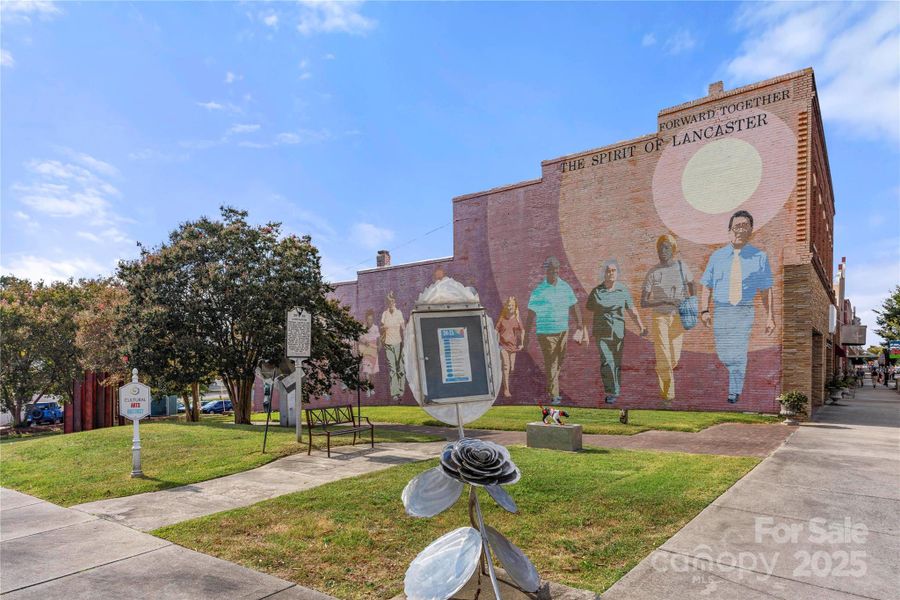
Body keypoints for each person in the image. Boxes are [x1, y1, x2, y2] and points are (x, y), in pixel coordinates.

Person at [699, 210, 775, 404]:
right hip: (721, 310)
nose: (740, 230)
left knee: (739, 351)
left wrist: (770, 316)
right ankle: (733, 373)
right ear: (729, 230)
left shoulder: (759, 257)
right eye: (736, 226)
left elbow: (766, 289)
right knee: (724, 353)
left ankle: (734, 390)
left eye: (744, 226)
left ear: (751, 230)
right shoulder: (717, 257)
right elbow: (706, 285)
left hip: (744, 310)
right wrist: (705, 310)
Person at [523, 256, 585, 406]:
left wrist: (580, 325)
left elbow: (574, 306)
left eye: (556, 269)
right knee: (551, 361)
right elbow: (531, 315)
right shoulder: (539, 291)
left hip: (563, 330)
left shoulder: (565, 287)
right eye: (551, 270)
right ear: (546, 271)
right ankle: (554, 395)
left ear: (558, 270)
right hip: (545, 332)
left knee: (558, 362)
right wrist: (527, 335)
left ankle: (552, 386)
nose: (554, 272)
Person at [641, 234, 694, 403]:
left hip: (678, 318)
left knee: (673, 359)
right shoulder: (653, 273)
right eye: (660, 248)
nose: (662, 251)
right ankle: (668, 394)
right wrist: (664, 300)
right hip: (660, 318)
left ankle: (664, 378)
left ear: (673, 250)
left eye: (666, 248)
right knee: (663, 355)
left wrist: (690, 300)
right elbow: (643, 302)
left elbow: (692, 285)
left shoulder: (681, 267)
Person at [586, 260, 648, 404]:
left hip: (618, 332)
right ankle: (611, 391)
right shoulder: (596, 291)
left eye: (614, 270)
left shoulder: (622, 290)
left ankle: (616, 389)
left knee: (617, 363)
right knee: (607, 362)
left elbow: (632, 310)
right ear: (604, 273)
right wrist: (583, 331)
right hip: (601, 333)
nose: (611, 273)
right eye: (608, 271)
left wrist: (641, 327)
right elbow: (588, 313)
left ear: (617, 273)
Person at [495, 296, 524, 397]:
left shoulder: (516, 319)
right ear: (506, 306)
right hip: (503, 346)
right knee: (506, 367)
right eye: (508, 305)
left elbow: (522, 331)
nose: (510, 307)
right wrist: (495, 341)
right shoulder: (502, 318)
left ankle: (507, 385)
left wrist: (522, 343)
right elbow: (496, 330)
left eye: (512, 305)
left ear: (515, 306)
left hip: (513, 347)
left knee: (512, 368)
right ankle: (506, 390)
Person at [380, 291, 406, 401]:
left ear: (394, 302)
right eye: (389, 301)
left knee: (400, 368)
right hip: (388, 344)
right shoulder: (384, 314)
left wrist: (406, 340)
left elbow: (403, 327)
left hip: (398, 343)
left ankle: (401, 390)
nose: (390, 302)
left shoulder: (399, 313)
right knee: (392, 369)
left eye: (392, 300)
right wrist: (384, 328)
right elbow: (382, 327)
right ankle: (395, 393)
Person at [358, 309, 380, 398]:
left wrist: (378, 348)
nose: (369, 321)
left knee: (372, 373)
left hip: (373, 350)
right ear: (366, 319)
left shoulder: (375, 327)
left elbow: (378, 340)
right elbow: (359, 339)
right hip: (366, 350)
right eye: (368, 319)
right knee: (367, 371)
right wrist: (364, 342)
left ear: (373, 319)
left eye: (371, 319)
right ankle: (367, 389)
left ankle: (371, 388)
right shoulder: (363, 328)